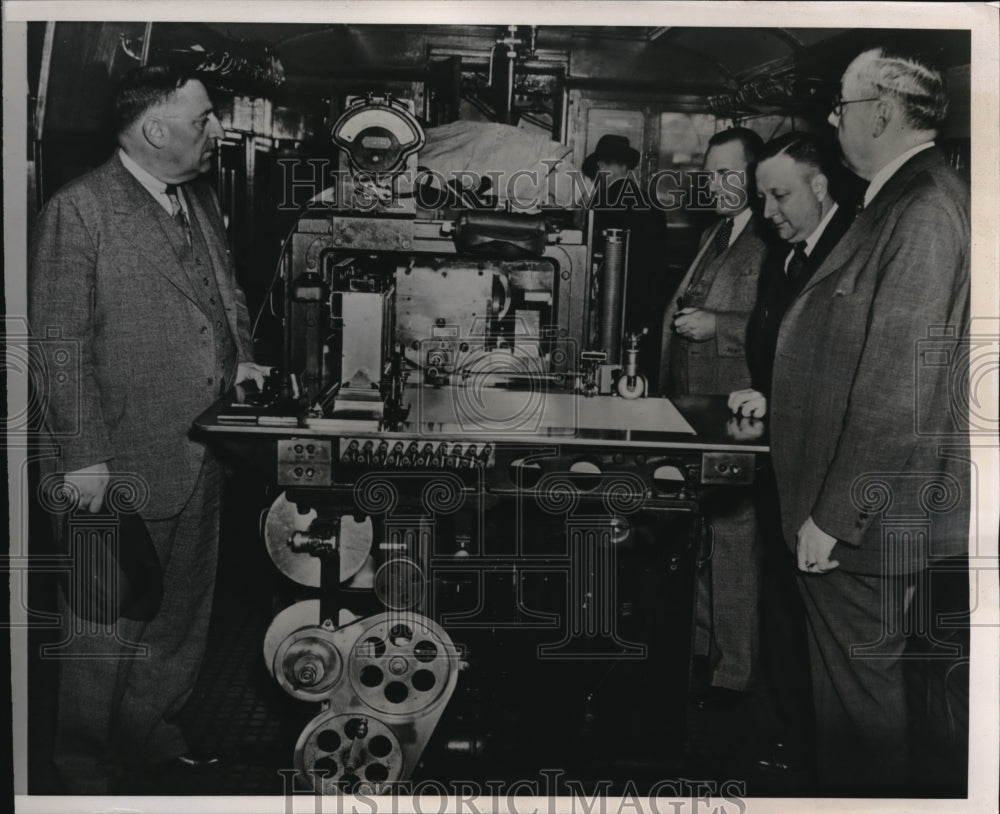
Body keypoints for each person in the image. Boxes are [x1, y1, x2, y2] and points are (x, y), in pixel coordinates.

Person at [30, 65, 271, 794]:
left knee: (179, 619)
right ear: (154, 128)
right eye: (203, 120)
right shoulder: (82, 209)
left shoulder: (195, 198)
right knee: (106, 629)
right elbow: (56, 344)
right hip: (112, 461)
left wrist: (246, 362)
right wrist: (83, 458)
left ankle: (152, 739)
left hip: (201, 449)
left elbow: (224, 295)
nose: (217, 131)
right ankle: (83, 768)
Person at [767, 47, 970, 795]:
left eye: (842, 107)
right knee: (850, 708)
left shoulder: (922, 209)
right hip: (861, 513)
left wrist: (835, 513)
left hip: (864, 520)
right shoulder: (900, 198)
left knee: (859, 715)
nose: (834, 119)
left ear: (880, 111)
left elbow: (897, 390)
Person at [728, 132, 855, 775]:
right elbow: (780, 344)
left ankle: (821, 767)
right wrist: (767, 391)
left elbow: (858, 372)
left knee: (825, 637)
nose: (767, 211)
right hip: (784, 464)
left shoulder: (853, 253)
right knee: (780, 611)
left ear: (819, 187)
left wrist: (789, 403)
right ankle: (784, 745)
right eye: (761, 197)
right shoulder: (785, 255)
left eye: (778, 196)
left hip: (830, 478)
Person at [659, 127, 771, 694]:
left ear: (755, 174)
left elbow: (787, 325)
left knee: (733, 537)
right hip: (694, 405)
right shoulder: (717, 232)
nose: (717, 184)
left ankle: (734, 671)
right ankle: (703, 644)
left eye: (729, 173)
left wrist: (718, 325)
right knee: (702, 531)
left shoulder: (773, 240)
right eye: (710, 173)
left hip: (735, 409)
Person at [583, 134, 670, 392]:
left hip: (613, 301)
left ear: (603, 166)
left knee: (608, 366)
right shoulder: (651, 203)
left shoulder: (603, 201)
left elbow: (594, 257)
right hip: (646, 303)